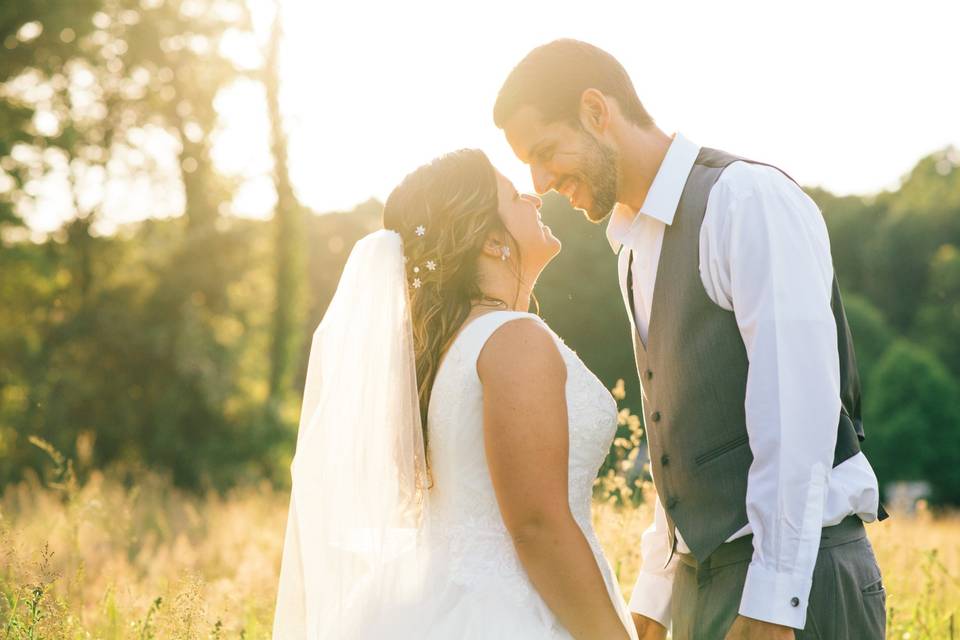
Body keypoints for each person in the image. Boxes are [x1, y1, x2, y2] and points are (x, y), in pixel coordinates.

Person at [494, 39, 886, 640]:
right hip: (705, 587)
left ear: (597, 111)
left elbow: (796, 409)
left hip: (802, 586)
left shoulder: (745, 199)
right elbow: (682, 442)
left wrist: (774, 600)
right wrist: (656, 596)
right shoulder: (631, 250)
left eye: (546, 152)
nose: (541, 182)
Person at [272, 148, 638, 639]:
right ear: (491, 240)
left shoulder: (449, 349)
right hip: (516, 613)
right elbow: (537, 525)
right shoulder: (514, 338)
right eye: (513, 195)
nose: (534, 197)